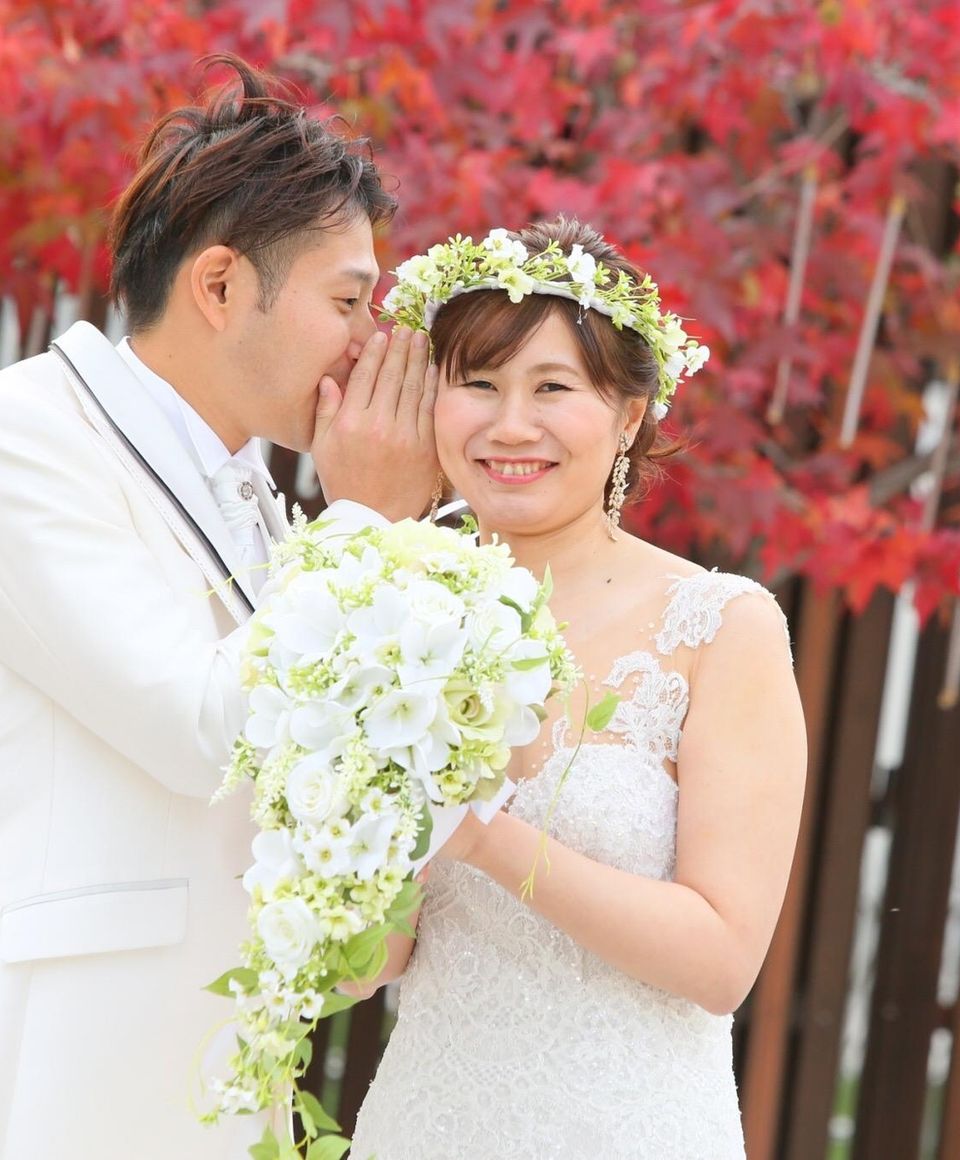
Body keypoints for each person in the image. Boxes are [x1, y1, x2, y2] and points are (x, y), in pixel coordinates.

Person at [0, 56, 437, 1160]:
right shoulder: (28, 436)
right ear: (220, 286)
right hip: (78, 1055)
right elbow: (202, 727)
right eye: (347, 301)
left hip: (221, 1054)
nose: (368, 342)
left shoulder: (258, 492)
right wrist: (367, 521)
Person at [348, 217, 807, 1159]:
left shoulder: (720, 627)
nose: (511, 425)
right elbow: (367, 967)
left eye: (552, 388)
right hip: (428, 1120)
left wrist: (482, 832)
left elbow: (722, 959)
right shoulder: (395, 608)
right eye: (479, 384)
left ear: (629, 415)